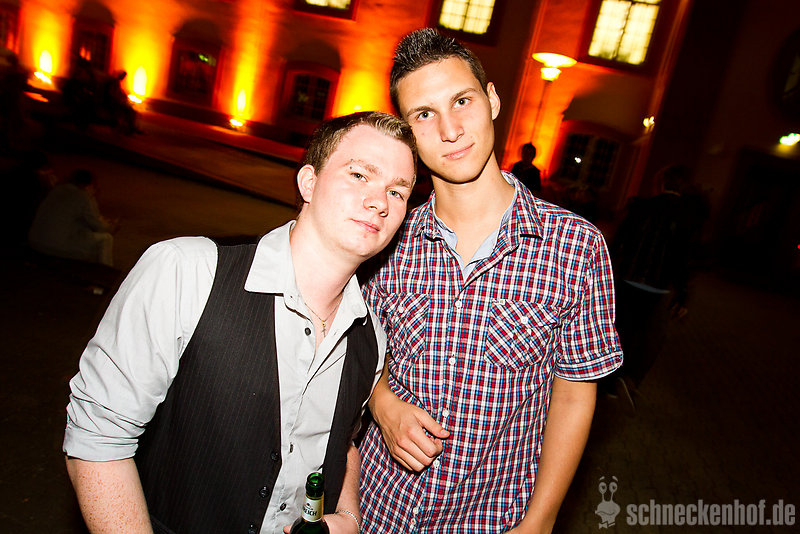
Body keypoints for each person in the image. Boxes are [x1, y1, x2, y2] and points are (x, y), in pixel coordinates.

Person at [63, 111, 417, 534]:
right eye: (359, 175)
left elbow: (342, 442)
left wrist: (349, 516)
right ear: (309, 182)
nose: (379, 201)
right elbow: (97, 441)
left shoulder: (371, 337)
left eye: (397, 191)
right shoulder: (187, 271)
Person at [359, 29, 622, 533]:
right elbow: (358, 348)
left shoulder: (575, 246)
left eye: (462, 101)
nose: (451, 130)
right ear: (407, 132)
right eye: (424, 114)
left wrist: (541, 520)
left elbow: (574, 394)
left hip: (489, 517)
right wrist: (382, 402)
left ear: (493, 100)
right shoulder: (388, 235)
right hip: (377, 505)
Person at [603, 163, 698, 408]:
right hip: (659, 285)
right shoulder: (687, 217)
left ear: (662, 182)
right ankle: (629, 377)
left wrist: (607, 272)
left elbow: (619, 242)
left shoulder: (641, 207)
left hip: (630, 278)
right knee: (648, 335)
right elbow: (684, 259)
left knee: (622, 328)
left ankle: (609, 381)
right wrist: (682, 294)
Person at [28, 168, 116, 267]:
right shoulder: (82, 196)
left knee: (85, 236)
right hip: (54, 245)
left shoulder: (56, 190)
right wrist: (111, 226)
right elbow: (97, 226)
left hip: (35, 240)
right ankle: (106, 271)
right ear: (89, 185)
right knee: (106, 239)